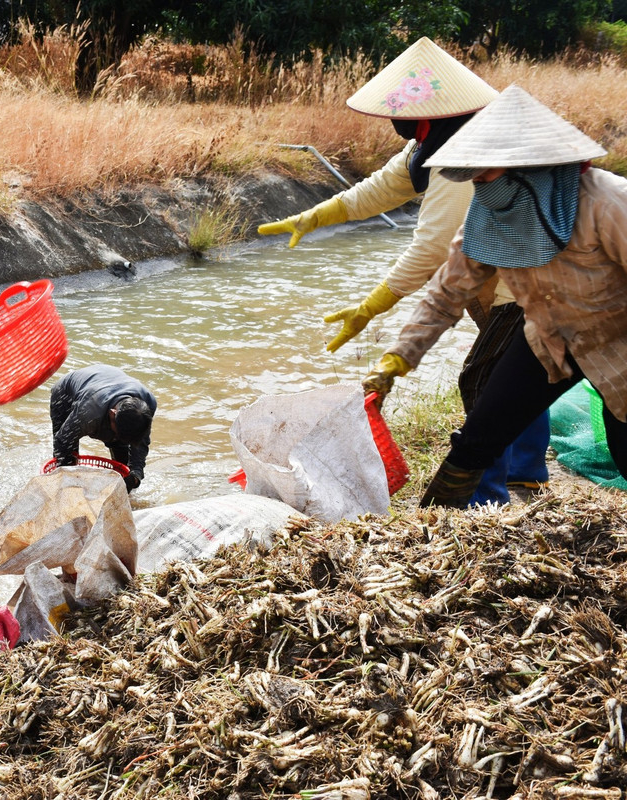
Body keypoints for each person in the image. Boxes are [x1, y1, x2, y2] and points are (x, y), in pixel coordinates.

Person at [256, 36, 549, 505]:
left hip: (538, 284)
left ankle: (486, 496)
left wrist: (371, 307)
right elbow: (377, 190)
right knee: (523, 373)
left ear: (429, 113)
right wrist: (314, 217)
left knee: (486, 382)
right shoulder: (435, 142)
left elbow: (434, 248)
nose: (399, 124)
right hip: (508, 277)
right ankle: (525, 471)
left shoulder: (468, 152)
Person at [362, 85, 627, 507]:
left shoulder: (607, 201)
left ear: (531, 167)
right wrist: (399, 357)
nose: (480, 188)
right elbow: (446, 292)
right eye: (474, 178)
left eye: (485, 175)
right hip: (547, 339)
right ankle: (435, 530)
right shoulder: (490, 211)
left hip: (617, 343)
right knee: (475, 441)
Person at [50, 364, 156, 491]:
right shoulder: (89, 413)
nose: (116, 438)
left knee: (123, 463)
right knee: (68, 457)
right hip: (65, 393)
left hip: (105, 384)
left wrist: (135, 476)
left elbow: (141, 444)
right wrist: (68, 481)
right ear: (112, 414)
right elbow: (62, 442)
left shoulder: (146, 407)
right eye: (117, 434)